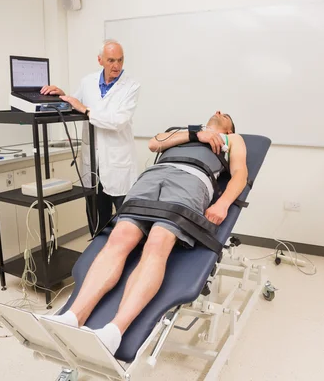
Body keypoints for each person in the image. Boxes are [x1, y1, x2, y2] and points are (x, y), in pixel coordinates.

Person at [42, 111, 248, 355]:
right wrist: (196, 134)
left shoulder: (233, 138)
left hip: (192, 181)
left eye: (225, 115)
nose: (217, 113)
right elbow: (155, 143)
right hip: (151, 177)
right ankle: (72, 317)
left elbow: (240, 174)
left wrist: (222, 203)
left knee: (158, 241)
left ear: (228, 128)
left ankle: (114, 332)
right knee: (120, 237)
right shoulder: (183, 129)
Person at [41, 39, 140, 233]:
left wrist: (86, 109)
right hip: (92, 163)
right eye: (111, 60)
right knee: (96, 222)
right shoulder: (87, 82)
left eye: (120, 60)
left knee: (126, 224)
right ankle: (96, 258)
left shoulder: (131, 86)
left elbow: (118, 121)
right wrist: (62, 95)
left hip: (118, 165)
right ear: (100, 60)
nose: (116, 66)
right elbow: (75, 104)